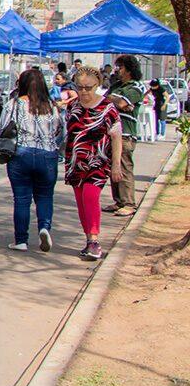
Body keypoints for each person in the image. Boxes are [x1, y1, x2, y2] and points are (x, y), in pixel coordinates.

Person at [0, 70, 64, 252]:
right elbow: (61, 131)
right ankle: (44, 227)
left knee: (21, 199)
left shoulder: (14, 104)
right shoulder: (51, 106)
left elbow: (2, 129)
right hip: (47, 155)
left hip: (21, 155)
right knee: (45, 196)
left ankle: (21, 240)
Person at [65, 67, 123, 261]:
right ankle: (89, 239)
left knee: (91, 196)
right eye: (79, 87)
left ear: (97, 85)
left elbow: (117, 138)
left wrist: (116, 165)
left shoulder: (108, 108)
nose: (84, 92)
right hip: (75, 162)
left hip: (99, 162)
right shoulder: (72, 106)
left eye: (88, 88)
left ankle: (95, 241)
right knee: (82, 202)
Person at [105, 55, 144, 217]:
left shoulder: (136, 87)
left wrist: (118, 102)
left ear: (128, 69)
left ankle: (129, 203)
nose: (117, 70)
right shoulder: (116, 86)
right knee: (113, 167)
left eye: (120, 67)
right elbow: (103, 100)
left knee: (124, 167)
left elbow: (121, 103)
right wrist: (116, 100)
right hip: (111, 133)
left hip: (126, 134)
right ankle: (119, 201)